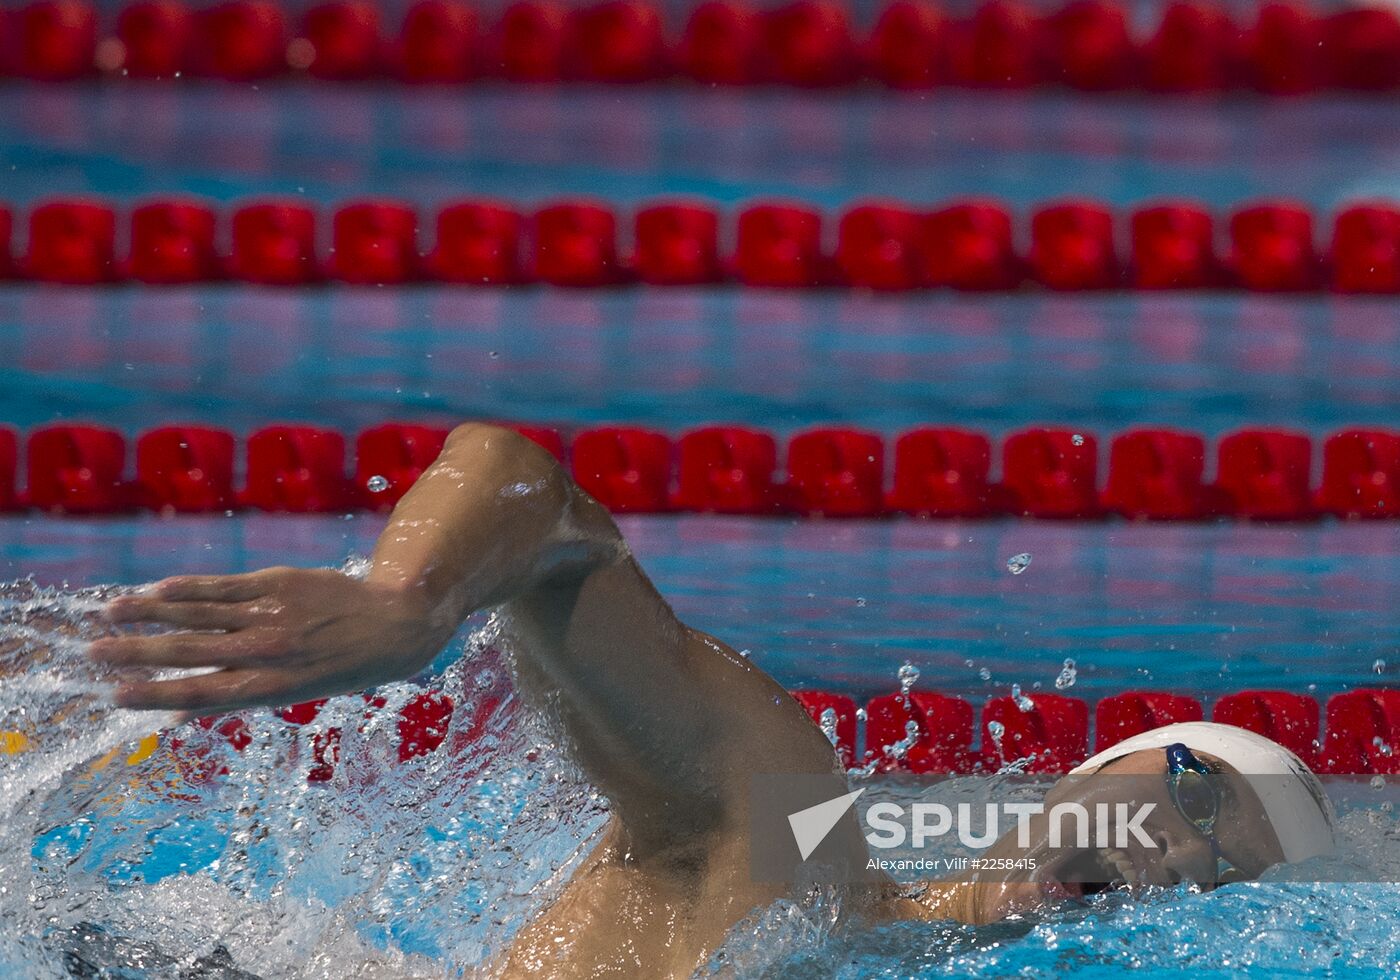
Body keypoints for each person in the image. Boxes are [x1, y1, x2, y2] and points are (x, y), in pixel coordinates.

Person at [88, 424, 1337, 978]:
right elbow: (532, 492)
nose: (1186, 852)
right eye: (1192, 787)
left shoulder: (850, 941)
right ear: (1087, 775)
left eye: (1223, 877)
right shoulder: (794, 836)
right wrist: (410, 602)